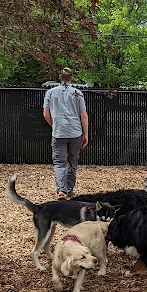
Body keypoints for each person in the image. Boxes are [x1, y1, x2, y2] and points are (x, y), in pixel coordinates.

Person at [43, 67, 89, 199]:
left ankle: (61, 190)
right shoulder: (78, 93)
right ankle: (69, 189)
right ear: (71, 78)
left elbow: (46, 114)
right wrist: (85, 134)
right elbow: (83, 115)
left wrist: (54, 125)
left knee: (59, 163)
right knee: (72, 162)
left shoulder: (50, 93)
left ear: (60, 77)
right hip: (75, 132)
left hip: (58, 133)